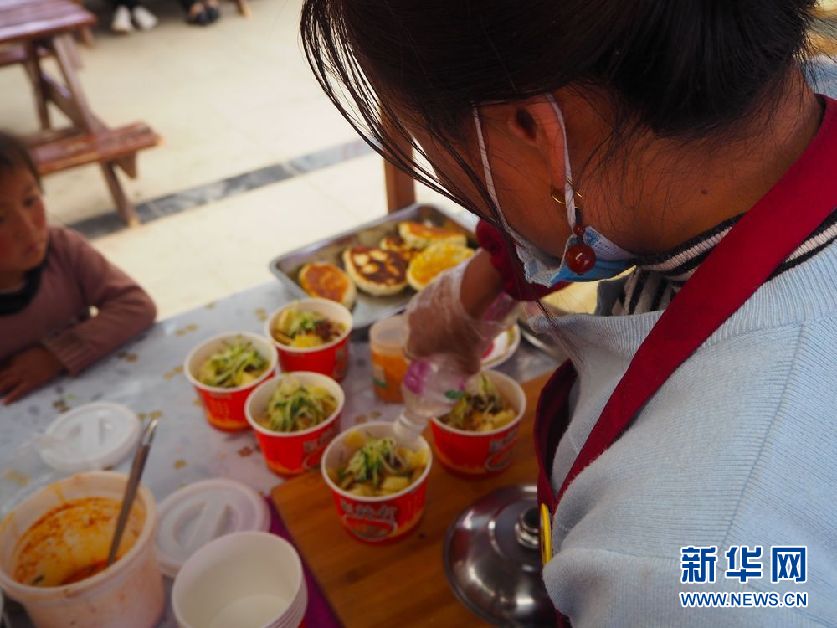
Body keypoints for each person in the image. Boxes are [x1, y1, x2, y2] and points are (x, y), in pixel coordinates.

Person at [300, 1, 837, 626]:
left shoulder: (685, 568)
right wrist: (482, 284)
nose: (464, 189)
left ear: (532, 126)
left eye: (437, 152)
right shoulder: (785, 110)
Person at [0, 132, 157, 404]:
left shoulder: (63, 249)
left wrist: (56, 355)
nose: (27, 229)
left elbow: (136, 304)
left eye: (30, 200)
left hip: (96, 407)